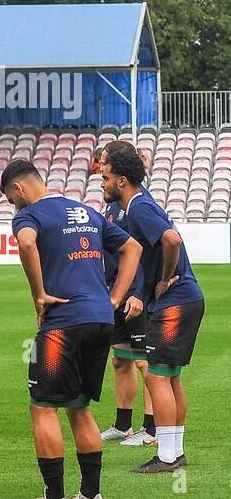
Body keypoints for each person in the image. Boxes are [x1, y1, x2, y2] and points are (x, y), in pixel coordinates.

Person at [2, 159, 142, 499]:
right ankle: (90, 497)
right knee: (79, 407)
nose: (11, 205)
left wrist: (38, 293)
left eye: (9, 197)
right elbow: (133, 249)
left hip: (63, 322)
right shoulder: (87, 211)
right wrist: (113, 298)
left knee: (42, 406)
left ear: (19, 189)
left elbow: (27, 243)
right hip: (100, 320)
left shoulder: (28, 215)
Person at [101, 147, 204, 473]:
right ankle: (175, 453)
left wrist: (163, 280)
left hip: (176, 302)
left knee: (158, 376)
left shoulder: (139, 207)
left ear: (121, 180)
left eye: (105, 177)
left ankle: (169, 457)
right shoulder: (139, 205)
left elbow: (171, 240)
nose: (102, 183)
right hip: (182, 300)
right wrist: (144, 293)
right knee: (170, 378)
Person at [93, 143, 154, 447]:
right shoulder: (113, 203)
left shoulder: (138, 205)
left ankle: (152, 429)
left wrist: (139, 292)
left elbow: (145, 251)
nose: (100, 170)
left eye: (105, 164)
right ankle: (123, 424)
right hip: (116, 289)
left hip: (134, 295)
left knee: (145, 363)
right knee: (121, 360)